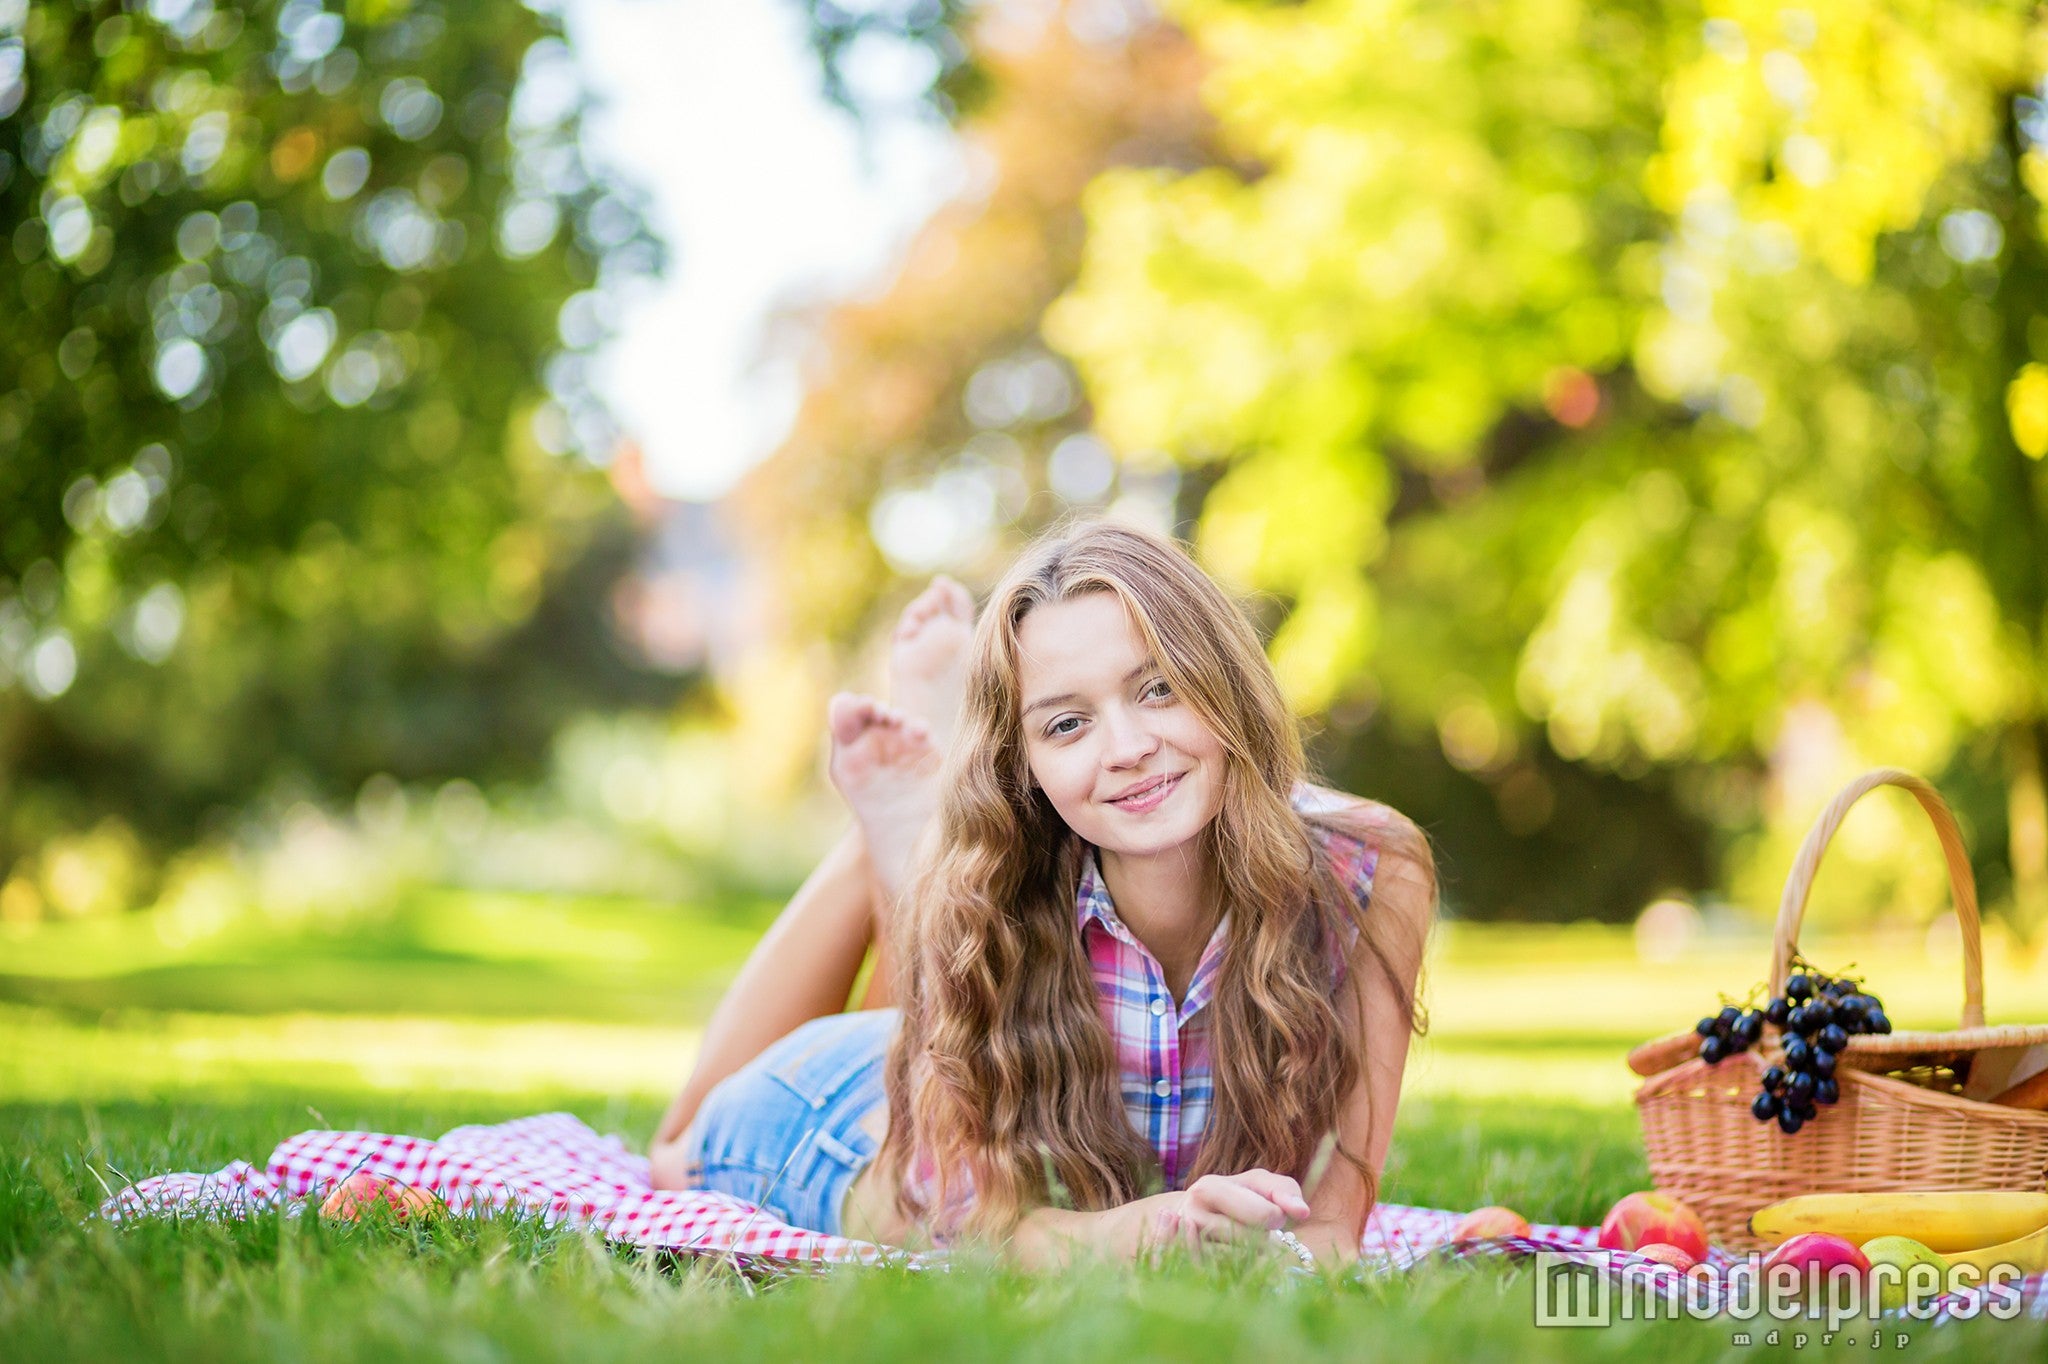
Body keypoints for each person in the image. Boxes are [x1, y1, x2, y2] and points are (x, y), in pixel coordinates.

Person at [647, 518, 1434, 1268]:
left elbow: (1337, 1221)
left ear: (1224, 680)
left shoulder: (1371, 870)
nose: (1127, 749)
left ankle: (916, 841)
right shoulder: (995, 894)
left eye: (1159, 688)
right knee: (670, 1155)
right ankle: (892, 839)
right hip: (838, 1126)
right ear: (1023, 767)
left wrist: (1308, 1252)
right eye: (1066, 725)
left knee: (933, 953)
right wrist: (1151, 1229)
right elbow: (980, 1231)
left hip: (930, 1065)